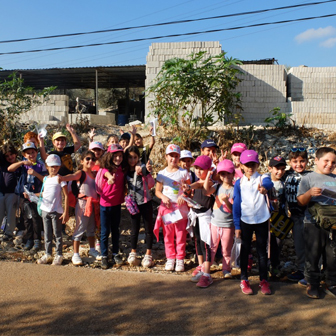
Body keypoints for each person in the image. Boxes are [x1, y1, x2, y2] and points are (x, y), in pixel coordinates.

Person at [297, 147, 336, 299]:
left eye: (333, 162)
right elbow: (300, 201)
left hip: (333, 224)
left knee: (332, 255)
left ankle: (331, 282)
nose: (329, 164)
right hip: (313, 223)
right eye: (326, 161)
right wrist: (309, 193)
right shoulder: (308, 178)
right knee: (313, 254)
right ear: (316, 161)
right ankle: (312, 283)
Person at [233, 150, 274, 295]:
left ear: (257, 165)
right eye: (247, 165)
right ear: (241, 165)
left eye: (253, 164)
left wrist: (264, 189)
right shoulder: (239, 183)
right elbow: (236, 204)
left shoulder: (263, 178)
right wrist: (237, 225)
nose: (250, 168)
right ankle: (244, 279)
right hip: (246, 220)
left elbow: (268, 183)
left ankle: (264, 280)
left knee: (262, 252)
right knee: (245, 250)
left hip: (262, 219)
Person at [59, 151, 101, 266]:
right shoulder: (81, 173)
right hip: (83, 204)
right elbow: (71, 176)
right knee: (80, 227)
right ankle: (76, 254)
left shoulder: (94, 174)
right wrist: (62, 178)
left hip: (93, 205)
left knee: (91, 228)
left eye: (92, 159)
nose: (90, 161)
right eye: (87, 159)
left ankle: (92, 249)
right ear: (82, 161)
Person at [154, 144, 190, 272]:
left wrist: (184, 195)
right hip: (167, 209)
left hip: (180, 209)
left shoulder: (183, 173)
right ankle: (170, 258)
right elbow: (157, 191)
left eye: (176, 156)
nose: (173, 159)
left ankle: (180, 259)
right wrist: (163, 197)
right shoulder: (162, 174)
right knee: (168, 234)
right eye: (171, 156)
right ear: (166, 157)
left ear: (179, 158)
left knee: (180, 234)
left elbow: (189, 189)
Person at [8, 142, 47, 251]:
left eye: (32, 152)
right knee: (27, 218)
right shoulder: (22, 166)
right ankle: (29, 239)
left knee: (35, 217)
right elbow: (10, 169)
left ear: (37, 153)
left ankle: (37, 240)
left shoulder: (40, 165)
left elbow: (45, 180)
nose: (31, 155)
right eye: (28, 153)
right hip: (24, 197)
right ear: (24, 155)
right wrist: (21, 162)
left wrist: (35, 173)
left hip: (36, 196)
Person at [186, 155, 215, 288]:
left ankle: (207, 274)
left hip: (206, 216)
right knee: (197, 241)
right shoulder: (199, 181)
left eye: (201, 169)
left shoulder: (210, 182)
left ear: (208, 170)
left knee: (206, 243)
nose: (197, 171)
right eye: (196, 168)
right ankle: (201, 266)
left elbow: (201, 186)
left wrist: (190, 185)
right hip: (196, 214)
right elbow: (197, 185)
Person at [96, 144, 125, 269]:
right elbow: (106, 174)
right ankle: (104, 255)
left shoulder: (122, 169)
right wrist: (109, 179)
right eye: (115, 156)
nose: (118, 158)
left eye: (120, 156)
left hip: (117, 204)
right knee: (105, 231)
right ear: (109, 156)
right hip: (105, 205)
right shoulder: (105, 170)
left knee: (115, 230)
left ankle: (115, 253)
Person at [284, 148, 311, 284]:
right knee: (299, 244)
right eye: (295, 161)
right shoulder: (286, 175)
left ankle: (311, 272)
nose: (299, 164)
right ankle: (302, 269)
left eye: (302, 161)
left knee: (310, 246)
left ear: (307, 161)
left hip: (308, 216)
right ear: (290, 162)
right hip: (294, 216)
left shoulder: (311, 176)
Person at [205, 159, 235, 280]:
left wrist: (226, 201)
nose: (226, 176)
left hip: (228, 225)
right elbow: (206, 191)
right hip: (214, 223)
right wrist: (208, 175)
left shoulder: (235, 190)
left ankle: (226, 269)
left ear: (233, 174)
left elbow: (234, 209)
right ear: (220, 176)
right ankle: (207, 266)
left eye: (228, 173)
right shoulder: (217, 187)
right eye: (223, 174)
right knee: (211, 247)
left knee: (226, 249)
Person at [125, 146, 154, 268]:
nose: (132, 160)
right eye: (130, 157)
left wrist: (146, 173)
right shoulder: (125, 170)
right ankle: (133, 252)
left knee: (148, 228)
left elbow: (151, 184)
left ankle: (148, 253)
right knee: (134, 228)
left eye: (135, 157)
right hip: (133, 203)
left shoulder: (141, 168)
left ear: (138, 158)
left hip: (146, 202)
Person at [37, 154, 69, 265]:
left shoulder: (60, 179)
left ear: (59, 167)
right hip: (45, 210)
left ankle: (59, 254)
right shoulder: (45, 179)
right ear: (47, 166)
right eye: (51, 166)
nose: (53, 168)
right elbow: (45, 193)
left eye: (56, 166)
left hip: (56, 211)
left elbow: (66, 195)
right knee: (47, 233)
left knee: (57, 233)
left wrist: (66, 211)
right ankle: (48, 254)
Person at [266, 156, 287, 277]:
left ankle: (275, 265)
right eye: (277, 168)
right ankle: (266, 265)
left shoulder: (285, 182)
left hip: (281, 218)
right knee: (267, 242)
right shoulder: (265, 180)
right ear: (270, 168)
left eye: (283, 169)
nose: (280, 172)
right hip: (266, 218)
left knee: (278, 243)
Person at [0, 142, 20, 240]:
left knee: (11, 213)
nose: (10, 157)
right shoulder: (3, 163)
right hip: (1, 192)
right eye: (7, 156)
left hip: (13, 193)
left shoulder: (20, 165)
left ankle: (9, 233)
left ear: (15, 154)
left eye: (11, 154)